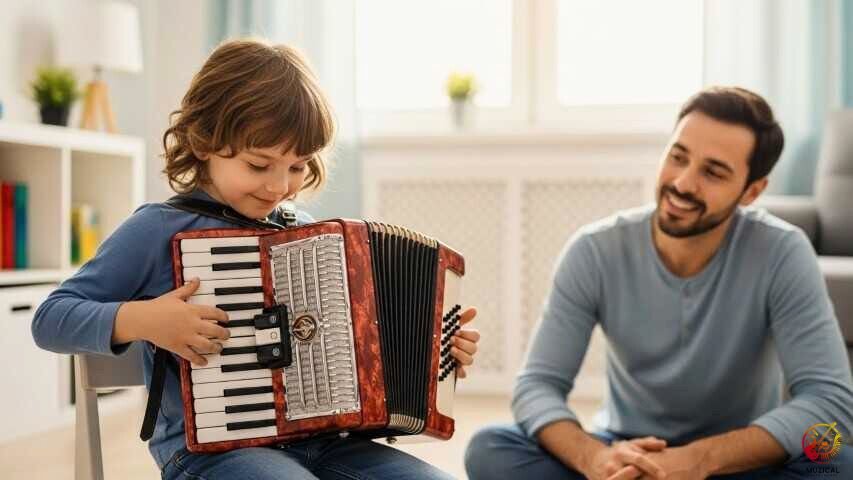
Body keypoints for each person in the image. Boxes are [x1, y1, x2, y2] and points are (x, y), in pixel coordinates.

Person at [32, 38, 480, 480]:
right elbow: (51, 318)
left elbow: (352, 352)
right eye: (258, 165)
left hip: (326, 441)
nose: (278, 186)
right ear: (204, 141)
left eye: (298, 166)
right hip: (209, 456)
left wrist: (434, 353)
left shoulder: (304, 233)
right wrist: (143, 321)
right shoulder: (156, 229)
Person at [465, 86, 853, 479]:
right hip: (626, 451)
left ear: (752, 191)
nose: (683, 183)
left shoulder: (783, 252)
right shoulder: (594, 250)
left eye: (713, 172)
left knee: (839, 461)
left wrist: (699, 460)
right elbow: (536, 386)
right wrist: (594, 459)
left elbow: (832, 405)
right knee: (490, 447)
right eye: (677, 157)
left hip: (734, 461)